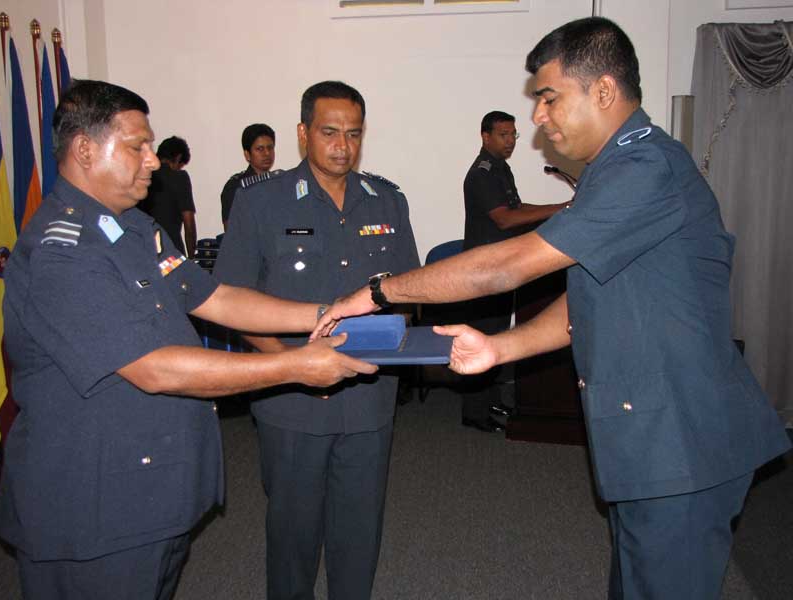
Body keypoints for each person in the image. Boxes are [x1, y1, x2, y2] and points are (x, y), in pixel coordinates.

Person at [314, 18, 792, 600]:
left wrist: (377, 292)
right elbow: (587, 298)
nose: (538, 115)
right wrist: (501, 347)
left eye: (548, 97)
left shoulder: (646, 169)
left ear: (604, 91)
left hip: (682, 440)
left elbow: (505, 266)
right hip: (650, 438)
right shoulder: (614, 171)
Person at [0, 79, 376, 600]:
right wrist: (296, 366)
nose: (153, 160)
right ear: (84, 150)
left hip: (148, 492)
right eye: (138, 147)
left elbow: (216, 298)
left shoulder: (134, 230)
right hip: (91, 509)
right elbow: (154, 367)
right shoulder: (63, 252)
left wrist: (327, 311)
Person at [215, 80, 420, 600]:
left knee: (359, 530)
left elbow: (409, 290)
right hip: (292, 400)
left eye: (353, 134)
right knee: (293, 532)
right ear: (303, 133)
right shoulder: (260, 202)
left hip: (369, 396)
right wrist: (291, 365)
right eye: (329, 132)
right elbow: (231, 302)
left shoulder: (387, 201)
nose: (342, 146)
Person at [460, 110, 569, 433]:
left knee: (497, 335)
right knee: (484, 336)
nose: (510, 141)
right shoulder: (482, 173)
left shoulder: (500, 168)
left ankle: (491, 400)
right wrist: (562, 208)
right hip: (483, 272)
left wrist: (558, 209)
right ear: (486, 136)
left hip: (502, 267)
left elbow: (518, 209)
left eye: (513, 135)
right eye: (503, 135)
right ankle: (474, 413)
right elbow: (505, 219)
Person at [138, 135, 197, 256]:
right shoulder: (179, 178)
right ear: (178, 157)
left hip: (144, 250)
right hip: (171, 250)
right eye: (180, 165)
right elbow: (189, 222)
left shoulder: (143, 177)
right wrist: (191, 257)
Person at [220, 123, 277, 230]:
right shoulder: (235, 187)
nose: (267, 153)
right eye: (260, 149)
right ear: (247, 155)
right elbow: (231, 231)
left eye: (270, 148)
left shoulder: (280, 182)